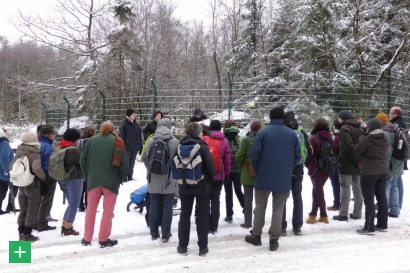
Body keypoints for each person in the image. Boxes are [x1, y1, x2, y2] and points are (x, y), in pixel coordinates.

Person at [245, 107, 301, 252]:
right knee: (278, 208)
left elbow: (254, 153)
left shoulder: (263, 132)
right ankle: (274, 239)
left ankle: (256, 235)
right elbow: (297, 157)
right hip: (283, 177)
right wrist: (287, 168)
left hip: (264, 175)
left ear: (270, 117)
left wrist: (258, 169)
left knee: (260, 206)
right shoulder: (291, 134)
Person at [80, 121, 128, 247]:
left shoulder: (91, 141)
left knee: (90, 210)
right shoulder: (119, 142)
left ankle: (87, 238)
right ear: (113, 129)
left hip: (93, 181)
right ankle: (103, 238)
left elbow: (83, 161)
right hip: (111, 182)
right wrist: (120, 178)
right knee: (108, 211)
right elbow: (124, 164)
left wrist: (88, 175)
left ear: (100, 129)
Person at [176, 122, 215, 256]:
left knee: (185, 215)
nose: (202, 133)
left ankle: (182, 246)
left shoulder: (179, 146)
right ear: (197, 133)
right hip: (202, 186)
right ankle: (203, 247)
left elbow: (173, 164)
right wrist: (210, 180)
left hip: (185, 184)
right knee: (202, 216)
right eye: (200, 131)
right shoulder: (203, 147)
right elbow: (211, 168)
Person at [142, 118, 179, 242]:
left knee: (154, 205)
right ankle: (166, 233)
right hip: (169, 177)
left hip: (153, 177)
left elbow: (144, 157)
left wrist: (150, 169)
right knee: (168, 206)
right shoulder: (175, 142)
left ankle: (154, 233)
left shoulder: (151, 140)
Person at [354, 118, 389, 235]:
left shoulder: (367, 139)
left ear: (370, 128)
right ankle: (382, 225)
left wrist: (363, 138)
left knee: (369, 200)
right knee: (382, 198)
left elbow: (356, 151)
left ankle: (369, 227)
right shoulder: (385, 138)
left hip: (368, 172)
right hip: (382, 171)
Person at [282, 111, 312, 235]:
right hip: (298, 169)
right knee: (297, 197)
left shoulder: (282, 131)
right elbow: (309, 150)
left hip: (283, 168)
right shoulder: (301, 131)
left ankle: (282, 226)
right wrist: (304, 162)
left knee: (281, 198)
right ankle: (297, 226)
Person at [14, 132, 46, 242]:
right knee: (32, 209)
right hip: (32, 184)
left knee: (23, 208)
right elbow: (36, 168)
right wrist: (43, 177)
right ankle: (27, 234)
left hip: (21, 183)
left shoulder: (19, 151)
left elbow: (11, 166)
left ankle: (21, 232)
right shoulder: (34, 152)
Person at [333, 110, 364, 221]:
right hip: (359, 163)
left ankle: (343, 214)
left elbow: (349, 146)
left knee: (345, 189)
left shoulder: (344, 129)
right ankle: (357, 213)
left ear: (342, 118)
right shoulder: (360, 128)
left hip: (347, 163)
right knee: (358, 189)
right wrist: (359, 161)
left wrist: (356, 160)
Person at [203, 120, 231, 234]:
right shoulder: (224, 142)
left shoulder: (204, 140)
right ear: (220, 129)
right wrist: (227, 174)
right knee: (215, 200)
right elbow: (227, 160)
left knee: (205, 200)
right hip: (218, 176)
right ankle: (214, 227)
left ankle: (204, 224)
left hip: (205, 175)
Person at [305, 118, 333, 224]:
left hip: (316, 168)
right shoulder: (329, 136)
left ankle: (323, 216)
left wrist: (308, 164)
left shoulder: (314, 138)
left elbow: (309, 154)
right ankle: (313, 213)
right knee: (316, 191)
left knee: (319, 192)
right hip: (327, 168)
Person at [235, 121, 262, 229]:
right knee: (259, 200)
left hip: (247, 172)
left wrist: (242, 165)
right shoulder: (264, 139)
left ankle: (247, 222)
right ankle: (258, 222)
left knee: (248, 198)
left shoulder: (245, 140)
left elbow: (239, 155)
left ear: (250, 128)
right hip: (261, 173)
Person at [58, 128, 84, 236]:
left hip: (63, 179)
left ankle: (64, 225)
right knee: (74, 204)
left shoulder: (61, 146)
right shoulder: (73, 150)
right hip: (74, 179)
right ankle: (68, 228)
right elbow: (83, 162)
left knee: (71, 204)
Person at [379, 111, 404, 218]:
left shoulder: (387, 132)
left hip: (391, 163)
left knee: (386, 187)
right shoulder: (397, 129)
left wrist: (385, 165)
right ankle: (395, 209)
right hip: (399, 162)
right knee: (394, 186)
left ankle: (383, 210)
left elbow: (388, 152)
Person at [37, 125, 58, 231]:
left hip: (36, 176)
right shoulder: (48, 147)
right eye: (53, 134)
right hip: (47, 176)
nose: (54, 136)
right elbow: (50, 164)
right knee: (46, 200)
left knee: (38, 200)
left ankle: (35, 221)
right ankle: (42, 223)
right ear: (49, 135)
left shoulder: (36, 144)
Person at [223, 120, 244, 223]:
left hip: (227, 170)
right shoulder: (240, 139)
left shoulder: (224, 140)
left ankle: (229, 214)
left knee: (228, 193)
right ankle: (246, 209)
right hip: (238, 169)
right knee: (239, 191)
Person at [388, 106, 406, 213]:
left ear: (395, 114)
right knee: (397, 181)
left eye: (390, 112)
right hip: (401, 156)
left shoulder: (396, 125)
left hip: (395, 157)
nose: (389, 114)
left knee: (395, 182)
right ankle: (397, 205)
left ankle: (396, 206)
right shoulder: (402, 124)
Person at [119, 108, 143, 181]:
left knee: (132, 163)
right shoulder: (124, 125)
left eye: (134, 114)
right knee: (126, 163)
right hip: (127, 147)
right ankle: (124, 177)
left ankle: (130, 176)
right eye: (133, 114)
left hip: (135, 147)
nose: (134, 115)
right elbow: (122, 137)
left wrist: (140, 146)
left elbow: (139, 136)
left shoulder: (136, 125)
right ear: (129, 115)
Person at [78, 125, 97, 212]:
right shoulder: (94, 142)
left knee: (82, 186)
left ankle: (80, 205)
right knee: (89, 187)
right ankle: (88, 205)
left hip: (80, 165)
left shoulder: (80, 141)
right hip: (90, 166)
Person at [0, 128, 16, 214]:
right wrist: (8, 170)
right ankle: (10, 206)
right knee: (14, 186)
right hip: (5, 171)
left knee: (2, 189)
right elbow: (3, 158)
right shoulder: (4, 143)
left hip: (1, 171)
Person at [327, 119, 341, 211]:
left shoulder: (337, 137)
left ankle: (337, 203)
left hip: (337, 164)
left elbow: (333, 149)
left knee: (335, 184)